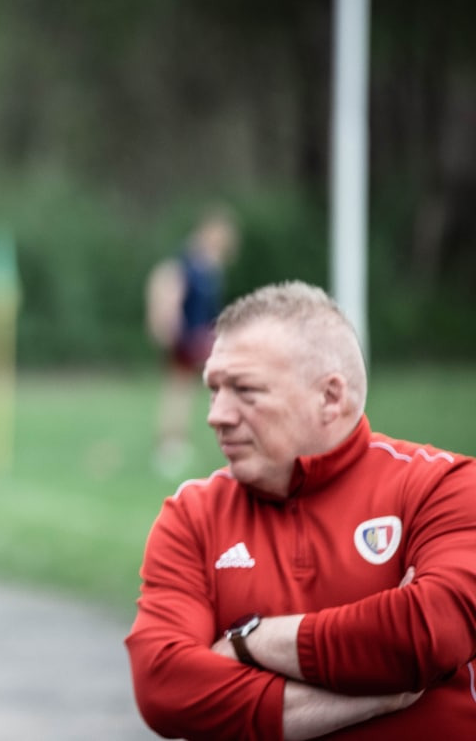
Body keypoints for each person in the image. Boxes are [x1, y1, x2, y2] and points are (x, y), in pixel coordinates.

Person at [126, 280, 476, 739]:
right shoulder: (193, 514)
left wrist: (248, 640)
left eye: (245, 390)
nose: (216, 415)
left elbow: (429, 633)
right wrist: (377, 696)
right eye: (214, 390)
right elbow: (165, 687)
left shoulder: (442, 486)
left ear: (330, 398)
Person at [144, 207, 238, 477]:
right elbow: (169, 290)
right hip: (188, 337)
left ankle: (186, 442)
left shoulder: (211, 264)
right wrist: (167, 324)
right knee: (179, 390)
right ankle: (169, 446)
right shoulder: (188, 262)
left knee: (199, 391)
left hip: (204, 336)